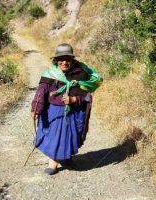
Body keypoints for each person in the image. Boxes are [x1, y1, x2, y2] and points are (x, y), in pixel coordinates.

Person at [30, 43, 102, 175]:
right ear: (56, 60)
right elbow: (41, 92)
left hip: (74, 112)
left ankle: (66, 156)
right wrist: (36, 108)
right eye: (61, 59)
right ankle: (53, 163)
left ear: (72, 59)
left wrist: (74, 99)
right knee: (56, 136)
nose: (64, 62)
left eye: (67, 59)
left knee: (71, 136)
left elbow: (87, 95)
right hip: (55, 112)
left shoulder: (81, 73)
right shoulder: (50, 73)